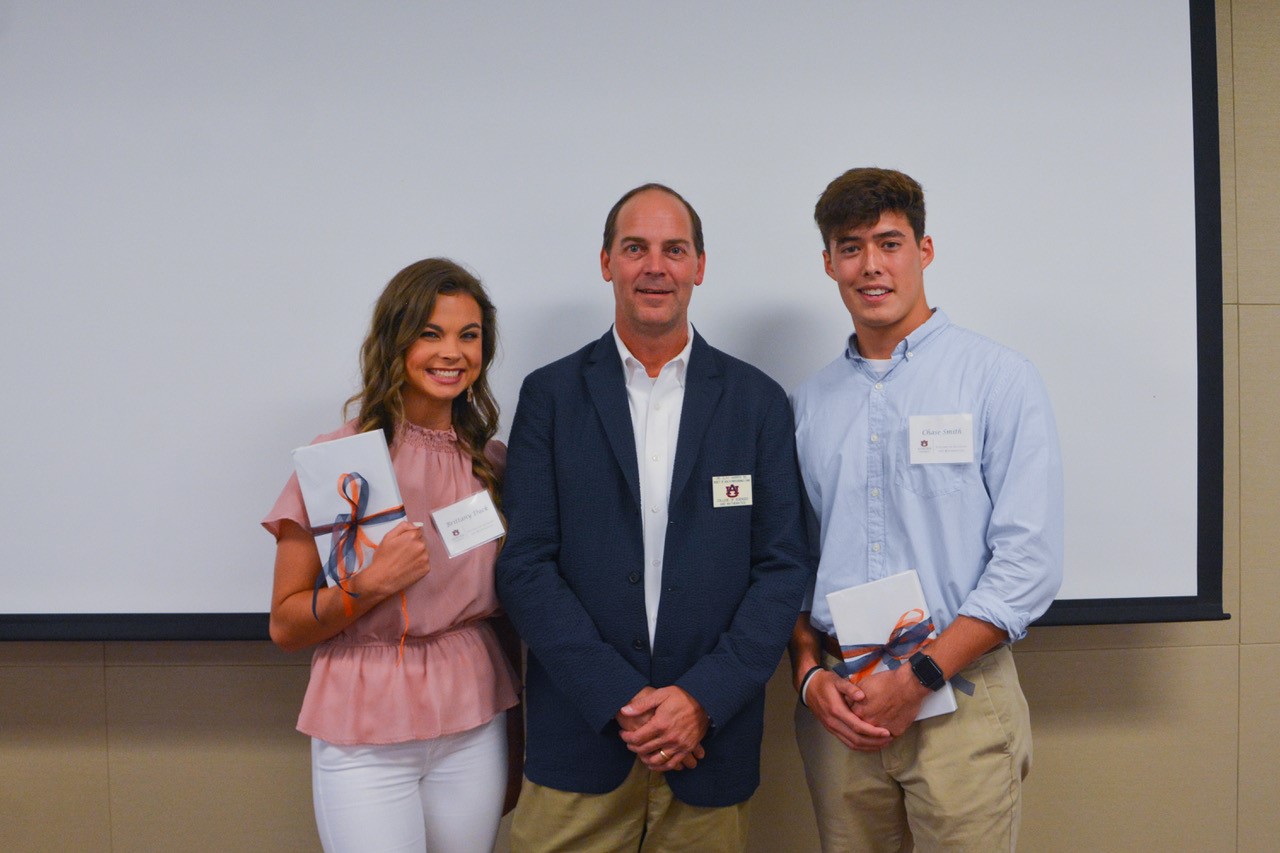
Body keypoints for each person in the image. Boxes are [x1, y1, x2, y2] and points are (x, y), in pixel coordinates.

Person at [495, 183, 811, 852]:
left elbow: (782, 569)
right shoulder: (550, 396)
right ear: (607, 261)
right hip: (580, 744)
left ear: (700, 265)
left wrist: (700, 699)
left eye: (674, 249)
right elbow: (525, 567)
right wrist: (623, 700)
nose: (655, 266)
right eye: (635, 248)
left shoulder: (756, 402)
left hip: (710, 745)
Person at [788, 168, 1064, 852]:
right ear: (829, 263)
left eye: (890, 242)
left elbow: (1028, 563)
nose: (872, 265)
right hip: (842, 708)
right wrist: (806, 671)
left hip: (961, 705)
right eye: (851, 247)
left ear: (925, 249)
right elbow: (790, 560)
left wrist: (919, 675)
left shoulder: (999, 379)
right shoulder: (809, 405)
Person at [262, 258, 521, 853]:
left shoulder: (495, 463)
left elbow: (509, 615)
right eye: (430, 333)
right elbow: (285, 624)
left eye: (469, 335)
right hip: (364, 732)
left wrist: (517, 734)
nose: (451, 352)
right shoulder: (338, 464)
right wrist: (371, 584)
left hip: (475, 723)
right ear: (395, 340)